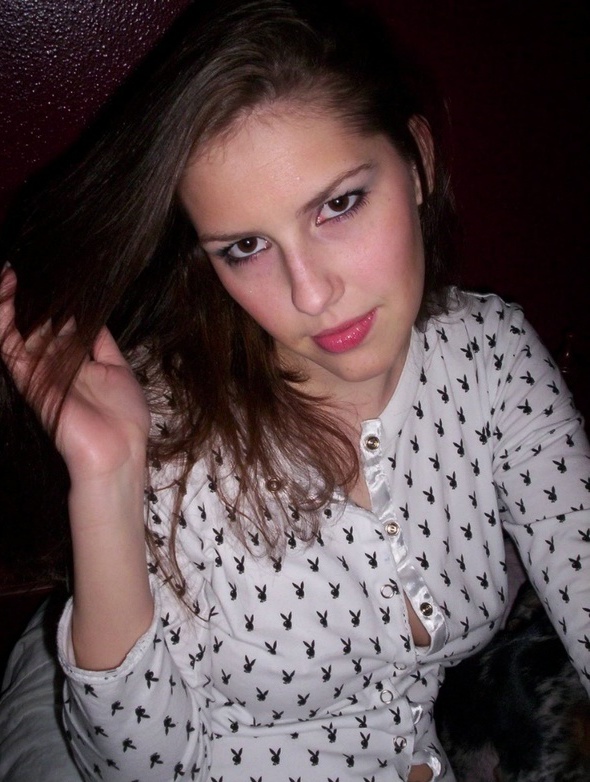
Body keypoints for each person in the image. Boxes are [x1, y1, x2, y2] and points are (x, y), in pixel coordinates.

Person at [0, 0, 588, 780]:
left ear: (417, 162)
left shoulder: (492, 356)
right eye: (246, 247)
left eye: (338, 206)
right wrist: (107, 478)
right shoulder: (171, 435)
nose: (310, 294)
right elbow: (142, 769)